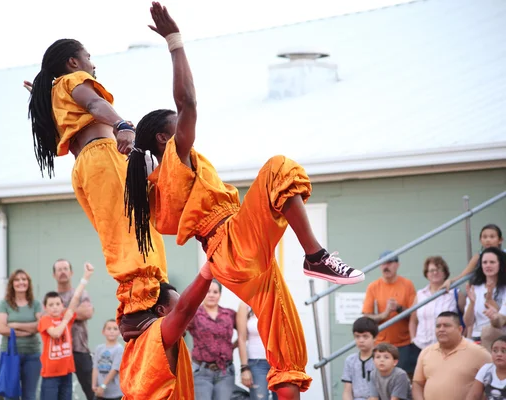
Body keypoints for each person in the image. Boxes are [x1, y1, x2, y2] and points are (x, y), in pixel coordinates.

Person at [123, 3, 365, 398]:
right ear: (166, 140)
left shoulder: (153, 190)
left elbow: (127, 154)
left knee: (285, 345)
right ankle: (316, 256)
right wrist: (174, 41)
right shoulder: (173, 162)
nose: (188, 132)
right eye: (177, 129)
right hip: (232, 237)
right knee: (278, 169)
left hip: (230, 261)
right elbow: (188, 103)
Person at [26, 25, 168, 322]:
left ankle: (140, 299)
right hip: (103, 155)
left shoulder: (55, 95)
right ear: (73, 62)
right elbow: (95, 103)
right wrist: (124, 125)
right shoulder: (74, 79)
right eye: (88, 57)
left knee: (119, 231)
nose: (93, 64)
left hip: (85, 168)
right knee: (133, 227)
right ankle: (146, 298)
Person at [119, 261, 215, 399]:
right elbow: (185, 310)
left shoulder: (137, 335)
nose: (185, 320)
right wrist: (209, 269)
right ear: (161, 311)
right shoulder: (158, 333)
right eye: (175, 308)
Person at [38, 262, 94, 400]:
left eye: (58, 304)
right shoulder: (46, 320)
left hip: (67, 369)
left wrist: (86, 277)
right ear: (45, 307)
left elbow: (76, 299)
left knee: (88, 389)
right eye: (51, 305)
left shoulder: (66, 316)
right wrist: (66, 319)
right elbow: (56, 333)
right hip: (51, 373)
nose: (55, 307)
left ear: (63, 304)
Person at [412, 311, 492, 400]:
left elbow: (495, 383)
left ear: (460, 329)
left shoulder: (478, 353)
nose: (441, 329)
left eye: (446, 325)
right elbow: (418, 384)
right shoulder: (426, 352)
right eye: (438, 326)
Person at [362, 251, 417, 377]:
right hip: (381, 346)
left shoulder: (407, 285)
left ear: (397, 265)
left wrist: (398, 308)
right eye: (383, 263)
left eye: (389, 263)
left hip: (404, 345)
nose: (386, 266)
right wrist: (385, 314)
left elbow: (414, 316)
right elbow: (366, 317)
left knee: (404, 383)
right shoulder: (373, 287)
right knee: (381, 383)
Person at [0, 269, 43, 400]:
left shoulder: (36, 304)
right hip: (10, 354)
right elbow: (0, 328)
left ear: (28, 283)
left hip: (32, 355)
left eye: (24, 279)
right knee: (11, 395)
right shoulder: (4, 304)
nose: (21, 282)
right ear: (12, 284)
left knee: (30, 395)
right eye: (17, 279)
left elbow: (40, 326)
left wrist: (15, 326)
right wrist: (28, 330)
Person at [188, 280, 236, 400]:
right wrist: (187, 356)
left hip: (225, 372)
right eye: (208, 291)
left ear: (220, 294)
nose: (211, 295)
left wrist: (231, 347)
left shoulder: (229, 314)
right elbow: (178, 334)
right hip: (201, 372)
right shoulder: (194, 314)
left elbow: (245, 333)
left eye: (215, 292)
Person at [409, 256, 458, 357]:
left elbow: (465, 319)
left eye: (439, 269)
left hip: (448, 346)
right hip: (422, 347)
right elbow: (413, 320)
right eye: (431, 270)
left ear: (445, 273)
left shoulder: (454, 293)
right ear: (426, 274)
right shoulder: (420, 295)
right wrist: (413, 339)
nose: (435, 273)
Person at [464, 247, 506, 342]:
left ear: (500, 264)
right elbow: (468, 322)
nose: (488, 265)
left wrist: (490, 300)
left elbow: (501, 322)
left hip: (499, 338)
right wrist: (472, 303)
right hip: (476, 337)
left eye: (492, 262)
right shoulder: (475, 288)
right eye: (485, 262)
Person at [237, 301, 278, 400]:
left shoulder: (278, 301)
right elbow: (241, 339)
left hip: (279, 364)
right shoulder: (245, 305)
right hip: (257, 363)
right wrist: (244, 368)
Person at [444, 224, 504, 289]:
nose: (488, 240)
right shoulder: (477, 257)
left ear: (500, 240)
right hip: (483, 289)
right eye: (484, 237)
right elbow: (463, 275)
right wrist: (450, 281)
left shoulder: (504, 255)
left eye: (492, 237)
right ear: (480, 240)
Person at [341, 317, 378, 400]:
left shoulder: (379, 360)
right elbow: (347, 390)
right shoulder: (350, 360)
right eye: (357, 336)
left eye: (365, 337)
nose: (361, 340)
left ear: (374, 337)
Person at [466, 335, 506, 400]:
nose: (499, 354)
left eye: (504, 351)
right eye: (495, 350)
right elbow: (473, 396)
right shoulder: (486, 369)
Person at [92, 320, 123, 400]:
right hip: (100, 393)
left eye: (115, 329)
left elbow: (114, 370)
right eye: (109, 328)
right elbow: (95, 368)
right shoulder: (99, 348)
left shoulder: (119, 349)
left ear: (119, 332)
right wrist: (94, 385)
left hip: (115, 394)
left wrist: (103, 386)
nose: (112, 331)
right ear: (103, 332)